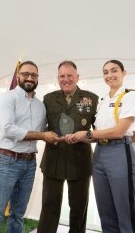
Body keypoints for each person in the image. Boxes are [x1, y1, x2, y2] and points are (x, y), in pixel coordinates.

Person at [0, 61, 60, 233]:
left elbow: (43, 130)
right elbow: (8, 129)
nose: (30, 78)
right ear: (18, 75)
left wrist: (66, 133)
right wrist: (42, 136)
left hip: (29, 163)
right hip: (6, 161)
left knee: (18, 213)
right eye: (26, 74)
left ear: (38, 78)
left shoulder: (41, 105)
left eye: (34, 75)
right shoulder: (7, 98)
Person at [66, 60, 135, 232]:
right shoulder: (102, 101)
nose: (109, 75)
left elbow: (119, 131)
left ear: (124, 72)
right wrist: (77, 137)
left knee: (125, 212)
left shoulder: (130, 96)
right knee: (105, 212)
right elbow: (96, 134)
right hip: (99, 153)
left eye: (114, 71)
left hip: (119, 152)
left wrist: (87, 134)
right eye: (106, 72)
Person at [37, 61, 98, 233]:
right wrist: (44, 135)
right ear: (58, 78)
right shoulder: (48, 99)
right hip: (53, 159)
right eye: (62, 76)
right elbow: (41, 127)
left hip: (80, 160)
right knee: (49, 206)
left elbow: (99, 132)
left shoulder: (91, 99)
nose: (66, 79)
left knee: (79, 208)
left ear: (77, 77)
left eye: (69, 75)